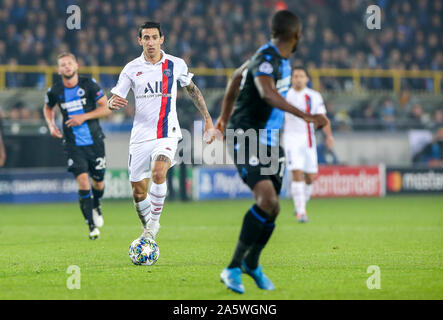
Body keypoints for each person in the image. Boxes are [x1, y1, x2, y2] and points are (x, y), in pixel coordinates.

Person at [215, 10, 328, 294]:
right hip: (247, 134)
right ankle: (232, 268)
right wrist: (306, 116)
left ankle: (252, 263)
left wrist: (222, 118)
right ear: (297, 35)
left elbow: (235, 77)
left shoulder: (281, 61)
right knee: (266, 198)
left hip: (269, 141)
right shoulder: (266, 58)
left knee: (274, 206)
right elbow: (266, 93)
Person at [107, 22, 215, 241]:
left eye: (154, 37)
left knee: (158, 172)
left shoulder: (175, 64)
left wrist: (208, 119)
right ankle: (147, 227)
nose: (150, 42)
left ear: (161, 39)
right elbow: (116, 97)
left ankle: (153, 225)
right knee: (138, 191)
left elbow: (192, 90)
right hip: (140, 136)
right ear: (140, 41)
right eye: (146, 38)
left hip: (167, 132)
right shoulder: (131, 68)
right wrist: (111, 103)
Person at [43, 52, 111, 240]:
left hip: (95, 142)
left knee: (98, 182)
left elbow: (106, 107)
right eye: (63, 64)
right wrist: (51, 124)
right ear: (58, 70)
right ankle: (91, 227)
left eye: (69, 63)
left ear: (76, 65)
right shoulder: (55, 90)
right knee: (82, 181)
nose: (67, 67)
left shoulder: (89, 84)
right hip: (73, 144)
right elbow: (48, 107)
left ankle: (96, 204)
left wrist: (84, 117)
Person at [282, 66, 334, 223]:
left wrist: (329, 136)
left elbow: (322, 117)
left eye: (301, 76)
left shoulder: (314, 96)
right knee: (296, 173)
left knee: (310, 177)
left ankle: (301, 202)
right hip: (291, 139)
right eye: (295, 76)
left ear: (307, 79)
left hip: (308, 139)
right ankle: (301, 211)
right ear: (291, 79)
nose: (297, 79)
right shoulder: (285, 95)